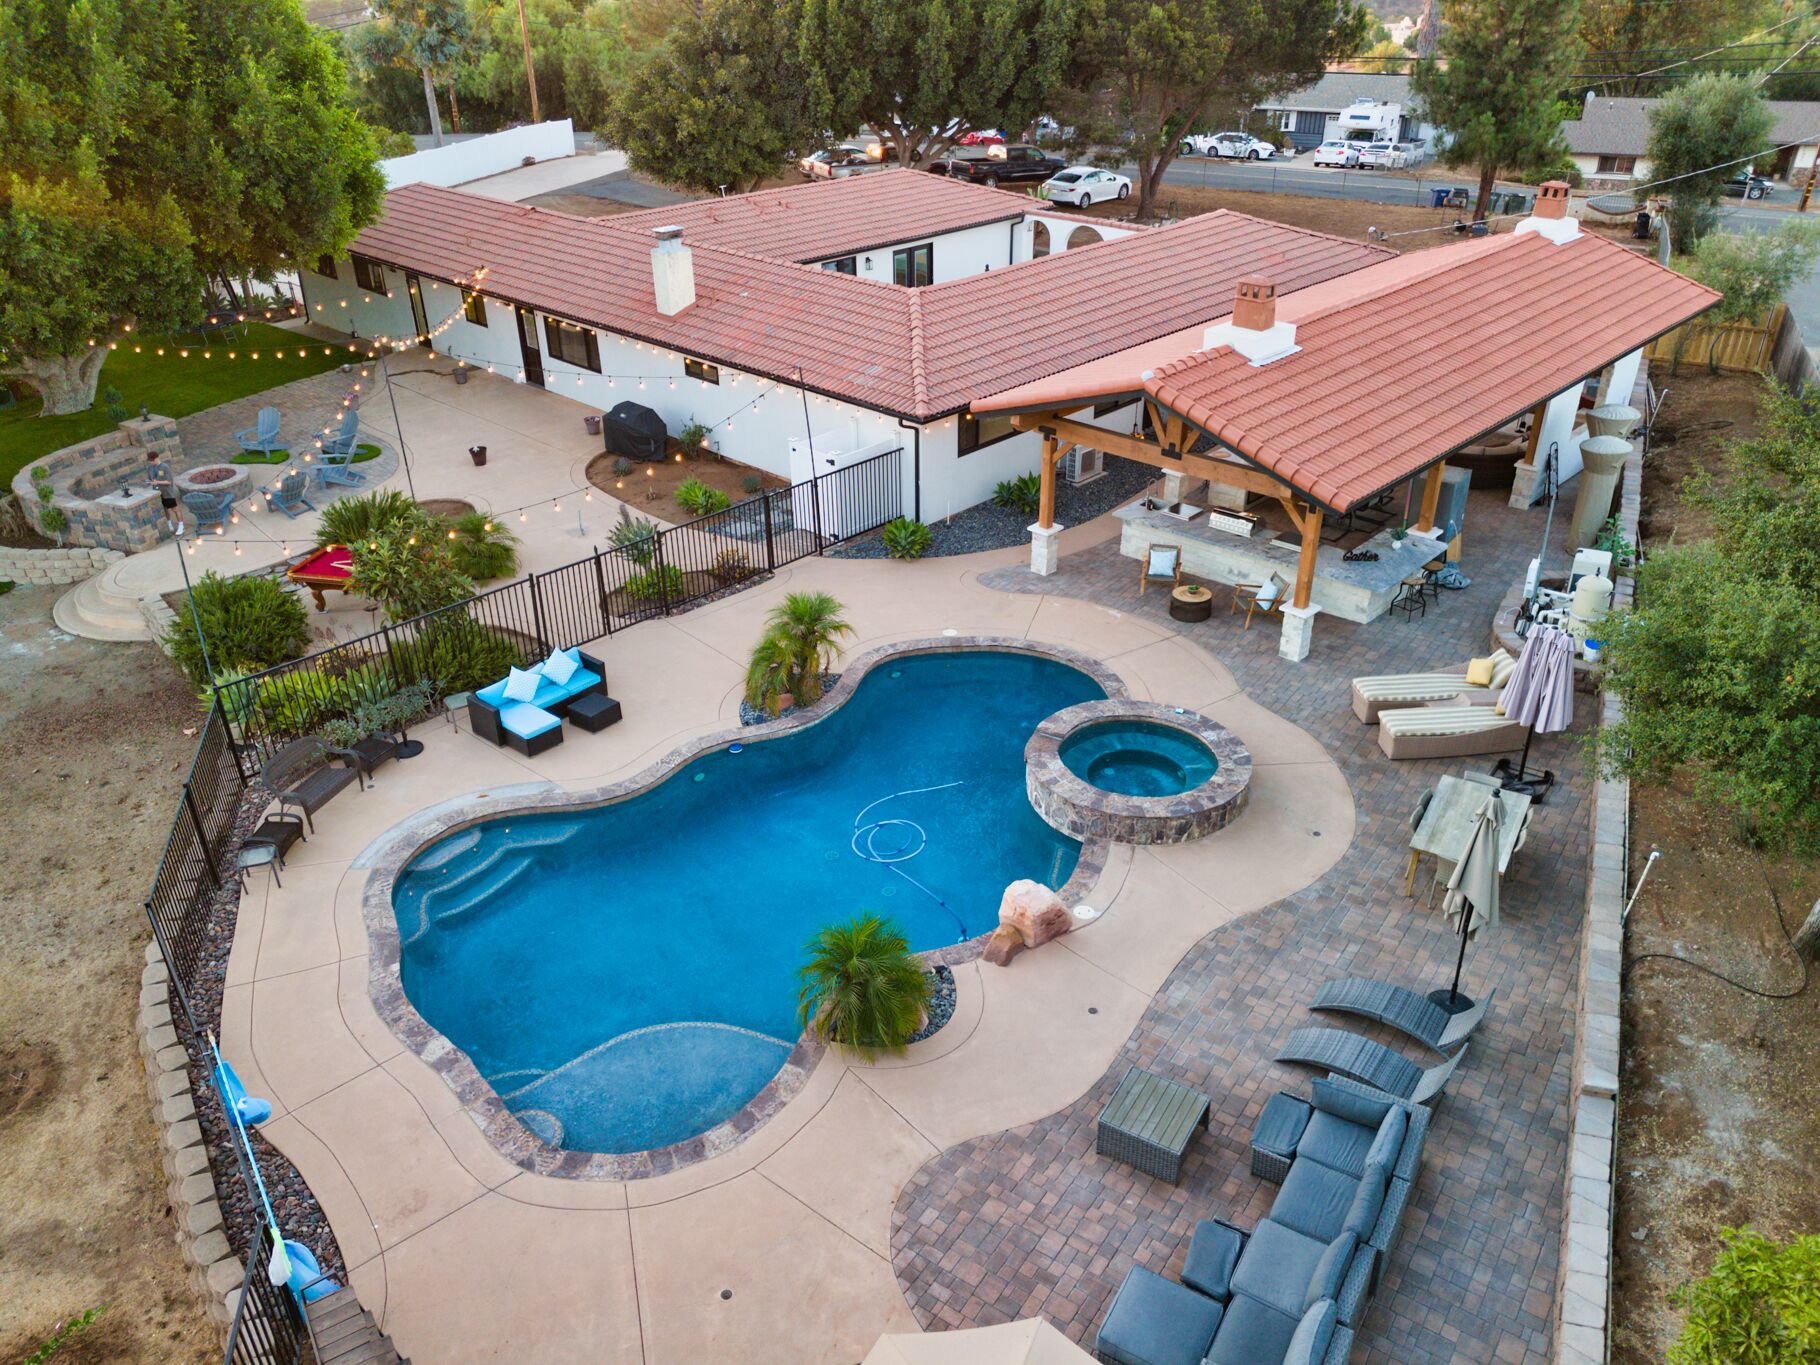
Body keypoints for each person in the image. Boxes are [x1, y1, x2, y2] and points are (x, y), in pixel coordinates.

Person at [146, 449, 184, 537]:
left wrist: (157, 482)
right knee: (165, 508)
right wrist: (149, 482)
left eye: (152, 460)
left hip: (167, 492)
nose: (151, 462)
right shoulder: (150, 468)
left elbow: (169, 481)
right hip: (157, 492)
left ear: (156, 458)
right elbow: (150, 478)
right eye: (150, 461)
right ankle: (169, 524)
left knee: (175, 509)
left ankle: (181, 526)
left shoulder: (164, 467)